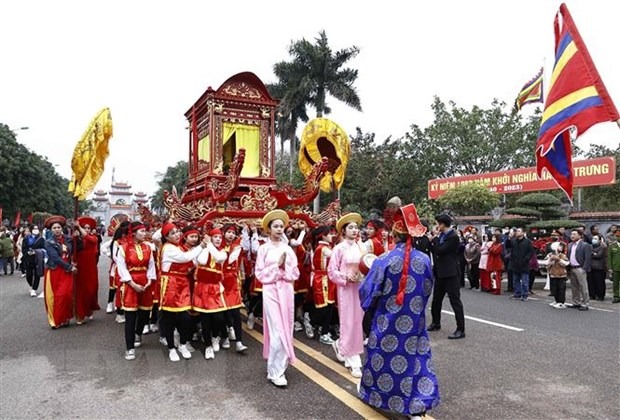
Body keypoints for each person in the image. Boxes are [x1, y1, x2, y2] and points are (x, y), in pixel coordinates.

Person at [359, 204, 440, 419]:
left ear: (393, 234)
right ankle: (417, 406)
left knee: (381, 359)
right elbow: (427, 290)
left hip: (386, 321)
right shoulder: (424, 260)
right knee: (417, 362)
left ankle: (376, 397)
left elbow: (367, 293)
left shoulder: (383, 260)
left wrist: (373, 311)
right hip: (415, 323)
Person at [254, 209, 300, 387]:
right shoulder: (263, 249)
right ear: (268, 229)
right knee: (277, 331)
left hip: (286, 290)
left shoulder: (288, 249)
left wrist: (284, 269)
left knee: (286, 329)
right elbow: (260, 274)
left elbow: (295, 272)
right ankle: (275, 372)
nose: (280, 229)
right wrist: (277, 267)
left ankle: (276, 368)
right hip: (271, 290)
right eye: (276, 226)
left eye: (282, 226)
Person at [159, 222, 209, 361]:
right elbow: (186, 258)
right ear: (166, 237)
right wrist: (202, 246)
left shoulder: (178, 247)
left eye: (177, 232)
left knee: (185, 318)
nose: (176, 235)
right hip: (170, 285)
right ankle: (171, 348)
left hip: (182, 284)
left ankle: (182, 344)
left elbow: (192, 261)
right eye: (172, 233)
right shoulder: (169, 248)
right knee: (169, 318)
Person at [328, 212, 366, 378]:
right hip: (345, 289)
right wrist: (344, 277)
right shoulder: (339, 248)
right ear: (343, 231)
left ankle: (340, 344)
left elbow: (367, 264)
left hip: (358, 287)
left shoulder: (360, 246)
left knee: (358, 322)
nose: (354, 230)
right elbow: (331, 271)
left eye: (356, 227)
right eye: (350, 227)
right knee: (348, 322)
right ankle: (354, 361)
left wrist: (362, 276)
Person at [115, 221, 157, 360]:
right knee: (131, 317)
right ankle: (130, 348)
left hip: (145, 281)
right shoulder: (123, 248)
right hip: (130, 283)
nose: (145, 234)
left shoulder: (147, 248)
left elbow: (151, 265)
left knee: (145, 313)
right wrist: (132, 283)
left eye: (145, 231)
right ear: (133, 233)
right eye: (142, 231)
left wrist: (150, 280)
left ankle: (138, 333)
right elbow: (121, 267)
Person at [192, 228, 228, 360]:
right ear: (210, 238)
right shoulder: (204, 251)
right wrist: (206, 246)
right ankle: (208, 346)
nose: (218, 239)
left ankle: (215, 338)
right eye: (215, 237)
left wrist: (209, 244)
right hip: (203, 289)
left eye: (220, 237)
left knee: (219, 318)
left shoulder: (223, 252)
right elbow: (201, 261)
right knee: (205, 319)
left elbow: (219, 258)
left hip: (216, 289)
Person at [428, 214, 465, 339]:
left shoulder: (453, 237)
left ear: (443, 224)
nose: (437, 226)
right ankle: (435, 322)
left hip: (451, 273)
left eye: (438, 223)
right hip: (440, 273)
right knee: (436, 300)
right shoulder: (442, 236)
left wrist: (434, 238)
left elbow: (440, 250)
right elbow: (435, 250)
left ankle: (461, 329)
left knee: (455, 301)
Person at [43, 216, 78, 329]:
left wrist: (79, 237)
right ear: (51, 230)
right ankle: (57, 320)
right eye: (54, 228)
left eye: (58, 227)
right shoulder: (49, 242)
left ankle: (66, 317)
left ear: (62, 228)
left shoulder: (68, 239)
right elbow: (55, 258)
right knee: (58, 296)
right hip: (55, 271)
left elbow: (79, 248)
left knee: (67, 295)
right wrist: (69, 267)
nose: (57, 229)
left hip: (66, 271)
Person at [310, 226, 337, 345]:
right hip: (322, 280)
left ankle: (323, 330)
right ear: (323, 236)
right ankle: (312, 322)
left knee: (329, 307)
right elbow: (338, 256)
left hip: (327, 279)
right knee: (325, 308)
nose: (332, 236)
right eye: (329, 234)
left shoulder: (325, 247)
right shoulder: (323, 249)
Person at [73, 216, 101, 324]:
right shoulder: (76, 238)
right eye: (85, 227)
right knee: (80, 291)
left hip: (91, 268)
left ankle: (89, 309)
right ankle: (80, 314)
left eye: (89, 228)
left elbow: (88, 237)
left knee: (91, 290)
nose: (87, 230)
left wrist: (79, 227)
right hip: (80, 267)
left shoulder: (94, 238)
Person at [506, 228, 534, 301]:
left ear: (523, 233)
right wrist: (509, 238)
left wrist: (526, 259)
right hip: (515, 263)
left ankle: (525, 295)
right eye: (517, 231)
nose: (517, 233)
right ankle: (517, 293)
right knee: (516, 280)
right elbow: (507, 246)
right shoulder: (513, 240)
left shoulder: (527, 242)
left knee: (524, 281)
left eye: (519, 231)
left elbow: (531, 252)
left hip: (524, 264)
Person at [567, 229, 592, 311]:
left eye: (574, 234)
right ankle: (576, 302)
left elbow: (588, 258)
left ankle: (585, 303)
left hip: (580, 268)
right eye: (571, 234)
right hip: (572, 267)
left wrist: (584, 269)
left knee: (583, 286)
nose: (572, 236)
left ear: (580, 235)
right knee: (574, 287)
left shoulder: (585, 245)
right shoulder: (570, 245)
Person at [21, 226, 46, 296]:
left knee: (37, 274)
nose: (36, 230)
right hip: (28, 258)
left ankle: (34, 289)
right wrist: (27, 253)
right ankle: (31, 285)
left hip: (38, 258)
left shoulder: (41, 239)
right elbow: (24, 248)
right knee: (28, 275)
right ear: (31, 230)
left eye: (37, 229)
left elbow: (44, 248)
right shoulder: (26, 238)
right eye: (34, 229)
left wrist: (37, 252)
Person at [545, 242, 569, 309]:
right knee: (554, 289)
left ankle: (561, 302)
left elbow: (566, 263)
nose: (561, 248)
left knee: (561, 289)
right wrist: (551, 260)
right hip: (553, 274)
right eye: (559, 246)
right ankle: (556, 301)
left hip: (562, 275)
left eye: (561, 246)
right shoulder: (550, 255)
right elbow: (546, 263)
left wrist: (559, 260)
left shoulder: (563, 255)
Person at [589, 234, 607, 301]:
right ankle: (592, 295)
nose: (594, 240)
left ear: (600, 240)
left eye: (596, 239)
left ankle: (600, 296)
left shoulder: (602, 247)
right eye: (593, 238)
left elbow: (599, 255)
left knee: (599, 282)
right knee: (591, 282)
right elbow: (588, 254)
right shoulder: (590, 246)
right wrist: (594, 253)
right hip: (590, 267)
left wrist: (593, 253)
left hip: (599, 267)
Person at [607, 228, 620, 303]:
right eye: (617, 235)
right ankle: (616, 296)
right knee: (615, 283)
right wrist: (610, 268)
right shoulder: (612, 246)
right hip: (615, 268)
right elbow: (609, 258)